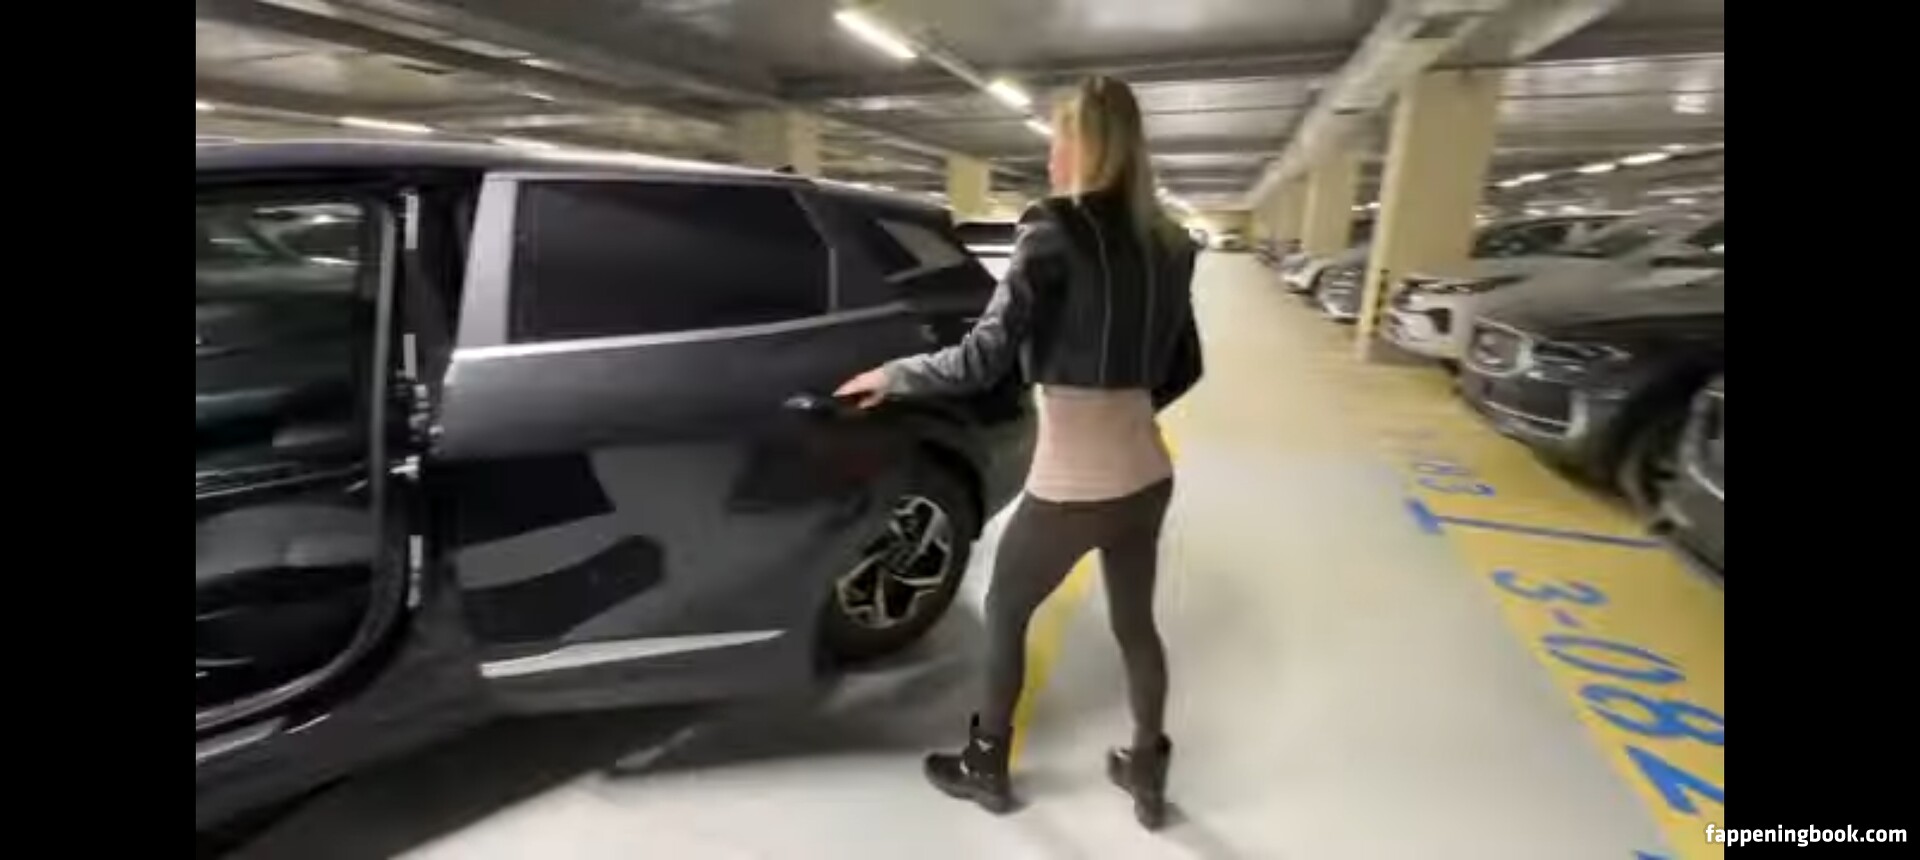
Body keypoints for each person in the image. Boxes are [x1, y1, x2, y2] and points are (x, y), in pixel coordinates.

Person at [835, 75, 1203, 829]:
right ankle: (1146, 771)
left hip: (1074, 483)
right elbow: (1185, 365)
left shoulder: (1051, 229)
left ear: (1090, 145)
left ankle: (985, 766)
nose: (1051, 154)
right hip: (1146, 474)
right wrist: (1124, 417)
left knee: (1004, 612)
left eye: (1061, 137)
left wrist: (894, 376)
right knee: (1136, 625)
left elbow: (980, 360)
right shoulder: (1171, 243)